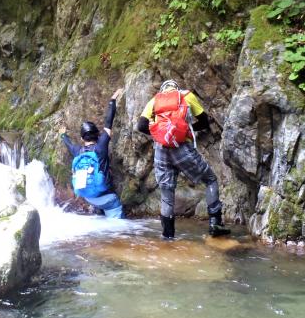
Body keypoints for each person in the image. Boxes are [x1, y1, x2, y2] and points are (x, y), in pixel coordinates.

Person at [136, 79, 230, 239]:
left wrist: (161, 134)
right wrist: (185, 130)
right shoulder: (186, 96)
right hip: (182, 148)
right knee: (210, 179)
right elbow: (204, 122)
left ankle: (168, 237)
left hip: (161, 150)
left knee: (167, 193)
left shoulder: (154, 100)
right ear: (176, 88)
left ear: (163, 90)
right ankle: (215, 224)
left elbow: (141, 126)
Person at [60, 89, 125, 218]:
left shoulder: (77, 151)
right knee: (115, 213)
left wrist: (63, 135)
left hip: (88, 197)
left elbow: (68, 144)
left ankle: (99, 214)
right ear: (98, 135)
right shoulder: (101, 146)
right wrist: (112, 100)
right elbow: (108, 123)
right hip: (106, 198)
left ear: (82, 138)